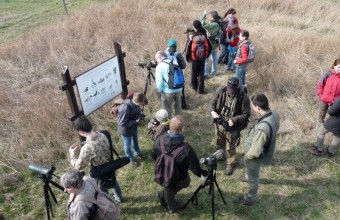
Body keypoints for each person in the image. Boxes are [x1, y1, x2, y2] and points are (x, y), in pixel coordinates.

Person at [151, 115, 205, 214]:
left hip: (161, 172)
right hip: (179, 177)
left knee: (168, 187)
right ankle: (171, 206)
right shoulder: (186, 148)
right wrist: (203, 174)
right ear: (182, 129)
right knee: (183, 183)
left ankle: (164, 195)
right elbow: (195, 167)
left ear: (169, 126)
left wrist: (162, 164)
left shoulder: (159, 139)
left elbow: (153, 155)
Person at [234, 94, 280, 206]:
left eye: (253, 106)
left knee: (254, 180)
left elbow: (255, 152)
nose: (252, 109)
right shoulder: (274, 113)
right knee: (251, 173)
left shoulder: (262, 128)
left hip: (254, 156)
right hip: (260, 149)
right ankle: (247, 176)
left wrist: (247, 156)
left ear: (258, 108)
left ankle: (248, 199)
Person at [68, 116, 123, 202]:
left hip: (99, 172)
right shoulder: (105, 134)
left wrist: (72, 155)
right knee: (114, 182)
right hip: (111, 165)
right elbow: (113, 147)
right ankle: (119, 198)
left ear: (80, 132)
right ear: (90, 125)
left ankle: (109, 202)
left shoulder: (87, 148)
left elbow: (79, 166)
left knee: (103, 189)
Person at [209, 77, 250, 175]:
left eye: (233, 90)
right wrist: (212, 111)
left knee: (231, 146)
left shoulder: (243, 97)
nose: (231, 92)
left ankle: (230, 163)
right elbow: (212, 103)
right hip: (220, 122)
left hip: (232, 127)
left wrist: (234, 120)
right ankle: (220, 155)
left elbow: (246, 114)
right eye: (229, 89)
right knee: (219, 141)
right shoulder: (220, 91)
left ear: (238, 87)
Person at [117, 92, 147, 168]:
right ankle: (130, 158)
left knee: (135, 141)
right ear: (136, 101)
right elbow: (121, 122)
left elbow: (136, 111)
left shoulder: (136, 103)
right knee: (127, 145)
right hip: (125, 130)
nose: (141, 105)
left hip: (133, 127)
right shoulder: (125, 108)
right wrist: (135, 121)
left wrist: (140, 115)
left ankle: (137, 152)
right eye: (141, 104)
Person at [185, 20, 212, 94]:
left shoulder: (193, 37)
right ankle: (201, 90)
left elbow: (188, 48)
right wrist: (206, 56)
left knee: (194, 74)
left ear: (194, 27)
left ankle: (194, 88)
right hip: (202, 59)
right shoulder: (205, 34)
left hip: (194, 59)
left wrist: (188, 58)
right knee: (201, 74)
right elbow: (210, 47)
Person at [155, 51, 182, 117]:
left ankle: (169, 123)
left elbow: (160, 82)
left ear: (160, 57)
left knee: (167, 108)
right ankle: (178, 122)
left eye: (156, 59)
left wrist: (160, 92)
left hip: (167, 91)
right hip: (178, 88)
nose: (156, 61)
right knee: (178, 106)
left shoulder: (160, 66)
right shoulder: (175, 62)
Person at [165, 39, 188, 109]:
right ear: (176, 46)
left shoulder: (165, 54)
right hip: (178, 77)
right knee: (181, 92)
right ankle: (183, 106)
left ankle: (168, 107)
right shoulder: (178, 55)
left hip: (168, 77)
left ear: (168, 46)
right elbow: (184, 66)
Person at [316, 58, 340, 124]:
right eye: (338, 67)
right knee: (322, 112)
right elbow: (320, 84)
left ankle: (331, 127)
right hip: (324, 98)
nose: (339, 69)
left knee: (334, 115)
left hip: (335, 101)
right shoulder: (328, 74)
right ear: (334, 66)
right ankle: (320, 125)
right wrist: (320, 95)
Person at [201, 10, 222, 78]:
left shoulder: (214, 25)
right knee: (215, 59)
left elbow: (203, 24)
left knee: (206, 60)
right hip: (215, 44)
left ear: (213, 17)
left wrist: (204, 15)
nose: (210, 17)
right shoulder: (219, 21)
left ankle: (206, 74)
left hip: (210, 45)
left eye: (210, 16)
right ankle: (214, 72)